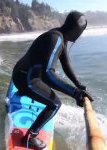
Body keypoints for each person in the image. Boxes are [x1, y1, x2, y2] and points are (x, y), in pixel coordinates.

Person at [12, 11, 93, 149]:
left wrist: (78, 85)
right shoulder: (56, 39)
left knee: (48, 93)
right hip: (26, 79)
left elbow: (66, 64)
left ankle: (26, 92)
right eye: (81, 31)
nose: (80, 35)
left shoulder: (60, 36)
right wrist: (75, 93)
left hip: (22, 74)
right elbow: (47, 75)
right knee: (55, 104)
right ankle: (29, 138)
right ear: (76, 30)